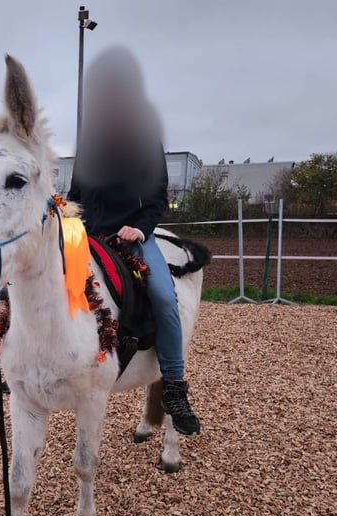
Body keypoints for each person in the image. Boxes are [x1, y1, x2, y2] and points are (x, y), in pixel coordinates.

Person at [67, 46, 200, 435]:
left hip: (131, 237)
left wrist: (139, 229)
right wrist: (65, 221)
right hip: (89, 236)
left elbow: (156, 198)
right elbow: (76, 195)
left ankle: (174, 384)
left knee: (163, 295)